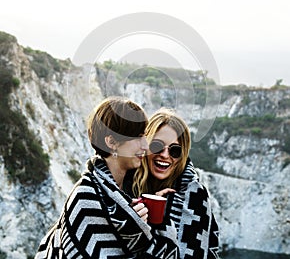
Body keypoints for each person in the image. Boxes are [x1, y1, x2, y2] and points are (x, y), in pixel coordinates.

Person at [35, 97, 179, 259]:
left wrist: (152, 219)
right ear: (111, 142)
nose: (145, 146)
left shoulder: (125, 195)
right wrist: (134, 226)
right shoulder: (86, 198)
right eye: (138, 137)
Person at [132, 108, 220, 259]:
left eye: (175, 151)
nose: (165, 155)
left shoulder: (194, 196)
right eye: (157, 145)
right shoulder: (127, 185)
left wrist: (159, 220)